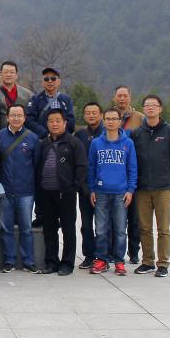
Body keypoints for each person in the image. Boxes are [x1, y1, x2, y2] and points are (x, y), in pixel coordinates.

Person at [131, 95, 170, 278]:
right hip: (143, 188)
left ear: (160, 108)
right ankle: (147, 261)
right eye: (147, 105)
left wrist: (168, 176)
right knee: (144, 228)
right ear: (143, 109)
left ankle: (163, 263)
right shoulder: (137, 133)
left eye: (154, 105)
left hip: (163, 188)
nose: (150, 108)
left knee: (163, 228)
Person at [36, 109, 87, 276]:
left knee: (68, 229)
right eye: (51, 121)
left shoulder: (74, 143)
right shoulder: (43, 143)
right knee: (49, 230)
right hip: (46, 193)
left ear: (65, 123)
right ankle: (51, 262)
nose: (54, 124)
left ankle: (67, 263)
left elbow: (81, 167)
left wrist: (74, 187)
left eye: (58, 120)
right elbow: (37, 166)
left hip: (66, 194)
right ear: (47, 124)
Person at [88, 107, 137, 277]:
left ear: (120, 121)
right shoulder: (96, 143)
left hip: (121, 193)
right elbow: (91, 168)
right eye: (107, 119)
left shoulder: (128, 143)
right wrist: (92, 189)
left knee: (120, 230)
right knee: (101, 229)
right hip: (101, 192)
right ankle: (101, 259)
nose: (110, 122)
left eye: (114, 119)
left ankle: (119, 261)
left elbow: (132, 168)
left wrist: (130, 190)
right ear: (103, 121)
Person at [0, 105, 40, 273]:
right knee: (6, 228)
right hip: (5, 191)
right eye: (12, 115)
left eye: (19, 115)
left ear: (24, 118)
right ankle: (9, 260)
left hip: (26, 191)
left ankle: (28, 261)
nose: (16, 118)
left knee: (26, 228)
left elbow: (36, 165)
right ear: (7, 117)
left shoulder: (33, 138)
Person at [113, 85, 145, 262]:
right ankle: (114, 252)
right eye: (119, 95)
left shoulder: (140, 118)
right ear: (114, 97)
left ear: (130, 97)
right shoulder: (109, 116)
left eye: (125, 95)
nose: (122, 99)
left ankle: (133, 252)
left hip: (134, 173)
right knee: (115, 218)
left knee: (134, 218)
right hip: (115, 174)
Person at [74, 102, 105, 269]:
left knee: (103, 225)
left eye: (94, 112)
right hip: (85, 187)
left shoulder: (107, 133)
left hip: (104, 188)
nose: (91, 115)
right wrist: (82, 185)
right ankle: (89, 255)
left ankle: (103, 255)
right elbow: (76, 162)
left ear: (101, 115)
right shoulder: (79, 135)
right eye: (88, 112)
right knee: (86, 225)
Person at [26, 67, 76, 139]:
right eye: (46, 79)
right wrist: (44, 134)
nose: (50, 81)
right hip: (42, 140)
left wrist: (62, 134)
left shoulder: (66, 100)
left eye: (53, 78)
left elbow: (71, 121)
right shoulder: (35, 99)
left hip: (63, 140)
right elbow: (29, 120)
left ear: (59, 82)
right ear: (42, 82)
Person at [0, 61, 33, 130]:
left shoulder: (28, 94)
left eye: (11, 72)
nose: (8, 75)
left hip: (22, 132)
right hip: (0, 132)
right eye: (6, 72)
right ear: (0, 74)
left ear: (16, 75)